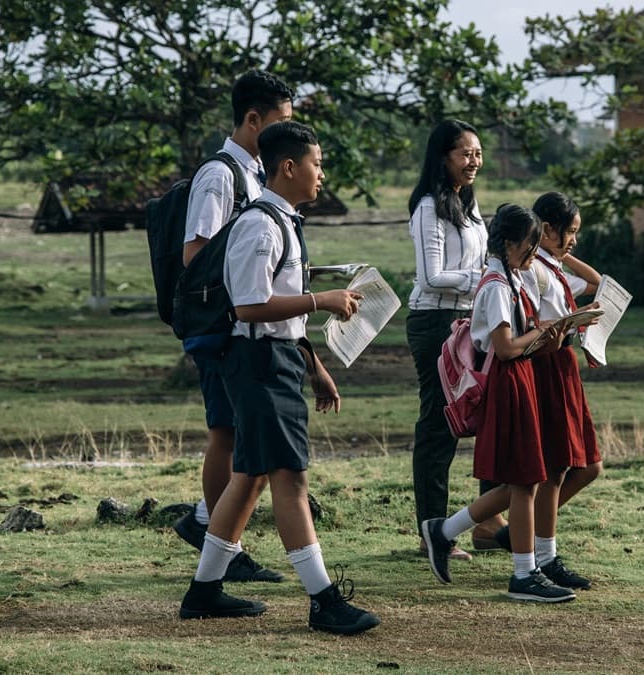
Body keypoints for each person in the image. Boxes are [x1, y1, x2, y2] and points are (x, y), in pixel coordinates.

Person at [177, 120, 379, 634]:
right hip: (259, 364)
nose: (322, 173)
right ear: (288, 167)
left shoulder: (284, 221)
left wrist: (314, 366)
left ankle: (204, 591)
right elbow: (248, 307)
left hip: (279, 359)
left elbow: (279, 313)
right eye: (316, 163)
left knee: (250, 477)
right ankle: (323, 599)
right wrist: (323, 300)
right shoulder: (260, 225)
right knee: (290, 476)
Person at [419, 204, 575, 603]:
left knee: (524, 480)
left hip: (519, 380)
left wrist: (549, 335)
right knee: (524, 480)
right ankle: (523, 575)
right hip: (508, 384)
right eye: (528, 245)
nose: (532, 254)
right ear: (508, 243)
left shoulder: (510, 278)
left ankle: (445, 531)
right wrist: (544, 333)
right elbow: (505, 348)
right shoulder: (496, 286)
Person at [172, 70, 293, 583]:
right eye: (280, 122)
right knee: (228, 433)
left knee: (239, 436)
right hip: (225, 324)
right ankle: (221, 541)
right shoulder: (221, 175)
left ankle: (211, 527)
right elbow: (195, 253)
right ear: (252, 119)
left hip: (244, 325)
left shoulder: (253, 174)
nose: (288, 132)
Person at [404, 119, 505, 560]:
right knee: (439, 425)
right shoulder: (429, 206)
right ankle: (433, 531)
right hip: (435, 322)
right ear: (443, 157)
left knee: (492, 416)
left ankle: (488, 522)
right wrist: (479, 278)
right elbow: (430, 277)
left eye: (478, 153)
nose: (474, 162)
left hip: (470, 319)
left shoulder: (469, 205)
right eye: (465, 154)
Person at [499, 192, 603, 591]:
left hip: (561, 364)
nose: (574, 239)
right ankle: (539, 556)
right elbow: (532, 323)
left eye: (577, 232)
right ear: (546, 228)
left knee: (567, 467)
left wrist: (559, 251)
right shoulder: (532, 269)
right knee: (551, 469)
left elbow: (594, 282)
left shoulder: (551, 265)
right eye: (569, 232)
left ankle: (540, 552)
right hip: (543, 366)